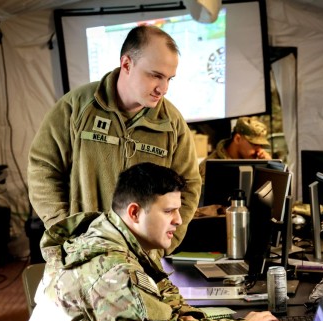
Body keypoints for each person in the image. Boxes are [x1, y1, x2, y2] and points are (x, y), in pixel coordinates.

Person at [9, 163, 285, 321]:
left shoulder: (120, 238)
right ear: (134, 212)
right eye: (168, 211)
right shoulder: (111, 269)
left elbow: (167, 296)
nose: (178, 220)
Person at [28, 25, 200, 254]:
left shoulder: (172, 124)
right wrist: (67, 233)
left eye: (169, 78)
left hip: (142, 262)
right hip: (83, 255)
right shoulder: (77, 107)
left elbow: (189, 185)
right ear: (127, 64)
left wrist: (162, 245)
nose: (163, 88)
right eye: (156, 75)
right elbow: (43, 169)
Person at [198, 116, 272, 182]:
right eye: (254, 144)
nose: (259, 150)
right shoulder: (209, 168)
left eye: (261, 145)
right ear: (237, 139)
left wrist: (268, 167)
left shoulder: (256, 160)